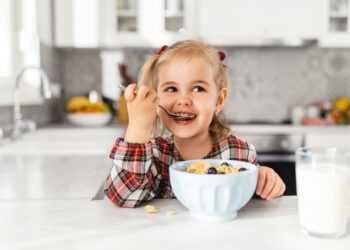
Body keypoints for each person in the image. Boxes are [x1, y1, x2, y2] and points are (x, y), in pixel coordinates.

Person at [104, 40, 286, 208]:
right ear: (156, 101)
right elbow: (124, 197)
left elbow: (255, 201)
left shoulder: (239, 153)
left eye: (198, 88)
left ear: (219, 100)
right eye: (171, 89)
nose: (183, 100)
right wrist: (138, 127)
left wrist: (265, 180)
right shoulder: (153, 156)